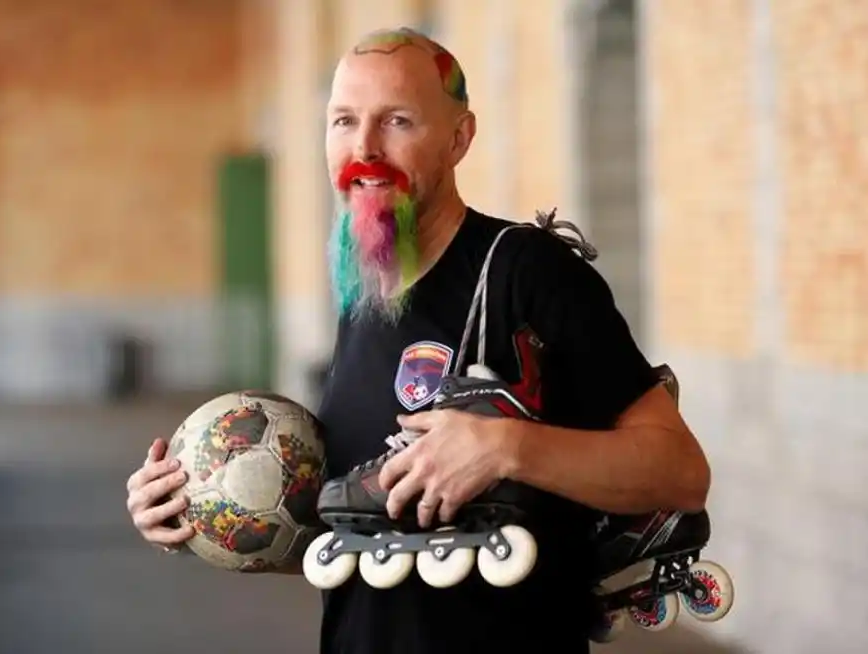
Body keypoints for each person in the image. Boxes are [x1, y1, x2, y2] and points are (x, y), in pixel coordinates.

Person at [125, 27, 711, 654]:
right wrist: (204, 509)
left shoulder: (526, 273)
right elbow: (376, 532)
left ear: (459, 138)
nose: (364, 149)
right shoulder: (363, 291)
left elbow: (680, 473)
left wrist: (506, 447)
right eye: (344, 121)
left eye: (396, 121)